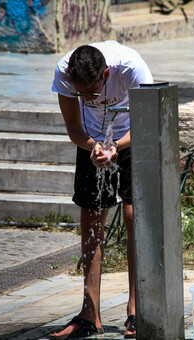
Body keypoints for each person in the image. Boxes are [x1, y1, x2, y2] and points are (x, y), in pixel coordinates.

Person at [49, 41, 153, 339]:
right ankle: (89, 313)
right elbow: (73, 128)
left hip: (132, 135)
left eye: (91, 93)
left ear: (107, 74)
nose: (86, 98)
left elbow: (148, 120)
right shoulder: (63, 72)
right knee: (91, 216)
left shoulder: (132, 68)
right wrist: (95, 147)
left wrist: (115, 147)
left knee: (134, 214)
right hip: (93, 140)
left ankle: (136, 308)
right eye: (81, 94)